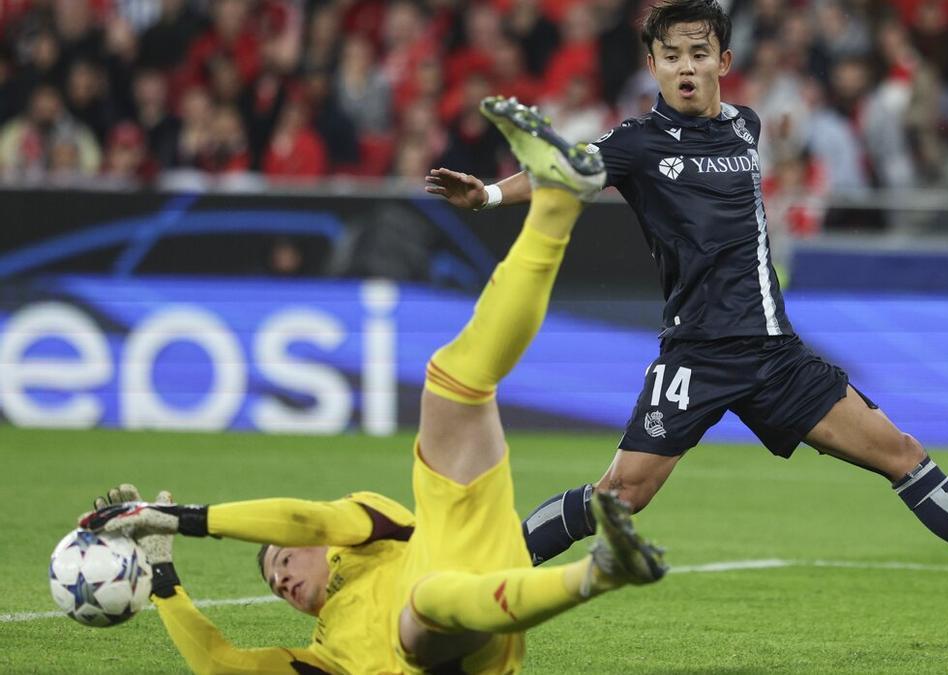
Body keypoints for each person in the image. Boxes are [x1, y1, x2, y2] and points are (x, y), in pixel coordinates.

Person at [424, 0, 948, 613]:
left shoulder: (744, 125)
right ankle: (478, 574)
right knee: (619, 497)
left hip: (776, 355)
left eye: (697, 53)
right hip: (698, 355)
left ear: (724, 61)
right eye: (671, 56)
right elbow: (563, 169)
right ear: (653, 64)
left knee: (903, 452)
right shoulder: (634, 143)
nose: (685, 68)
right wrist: (484, 196)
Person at [81, 96, 666, 674]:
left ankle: (555, 205)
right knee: (425, 610)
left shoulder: (368, 534)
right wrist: (162, 578)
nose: (281, 579)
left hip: (462, 542)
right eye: (275, 582)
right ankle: (597, 574)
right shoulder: (327, 655)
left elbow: (305, 521)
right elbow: (222, 665)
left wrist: (181, 518)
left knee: (453, 382)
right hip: (451, 652)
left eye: (282, 562)